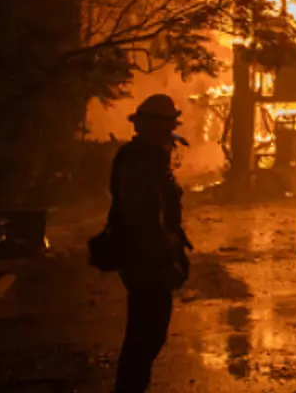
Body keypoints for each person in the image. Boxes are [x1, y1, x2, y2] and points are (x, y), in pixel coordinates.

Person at [110, 94, 192, 393]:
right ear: (152, 126)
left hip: (147, 257)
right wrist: (164, 256)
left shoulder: (149, 158)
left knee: (148, 335)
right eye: (168, 125)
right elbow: (142, 216)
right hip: (145, 259)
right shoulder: (140, 161)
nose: (172, 131)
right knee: (146, 335)